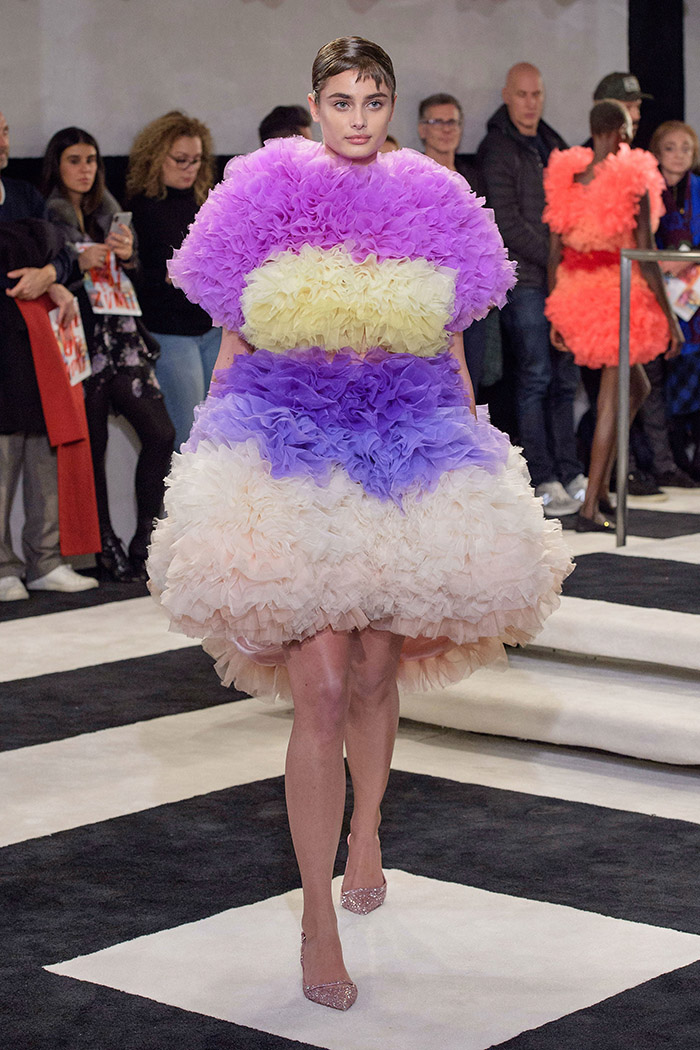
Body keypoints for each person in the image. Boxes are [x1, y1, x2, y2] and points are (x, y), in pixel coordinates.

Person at [148, 36, 572, 1009]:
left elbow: (454, 345)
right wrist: (212, 445)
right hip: (289, 440)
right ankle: (316, 914)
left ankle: (368, 827)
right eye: (340, 100)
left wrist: (470, 443)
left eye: (372, 100)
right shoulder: (263, 190)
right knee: (324, 684)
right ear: (314, 105)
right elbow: (234, 333)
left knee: (377, 670)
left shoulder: (433, 197)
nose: (357, 117)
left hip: (402, 441)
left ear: (391, 106)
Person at [43, 127, 175, 579]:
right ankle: (104, 545)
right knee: (92, 446)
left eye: (92, 160)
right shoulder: (48, 214)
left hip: (122, 337)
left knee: (160, 433)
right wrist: (76, 263)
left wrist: (129, 255)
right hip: (78, 338)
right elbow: (49, 277)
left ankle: (145, 540)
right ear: (57, 166)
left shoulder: (111, 211)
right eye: (74, 160)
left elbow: (134, 281)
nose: (85, 170)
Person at [545, 101, 683, 531]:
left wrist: (556, 311)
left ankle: (601, 488)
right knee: (611, 396)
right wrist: (670, 318)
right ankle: (590, 507)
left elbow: (554, 253)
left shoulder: (569, 178)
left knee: (635, 386)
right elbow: (645, 255)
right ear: (622, 132)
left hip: (576, 290)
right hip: (616, 291)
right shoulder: (632, 180)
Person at [477, 63, 586, 518]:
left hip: (562, 281)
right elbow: (506, 222)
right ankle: (541, 476)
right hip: (526, 280)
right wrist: (557, 258)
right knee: (535, 377)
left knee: (565, 380)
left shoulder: (551, 142)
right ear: (507, 95)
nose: (530, 102)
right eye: (522, 94)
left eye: (536, 94)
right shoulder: (497, 147)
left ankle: (570, 470)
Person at [0, 109, 100, 600]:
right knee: (2, 455)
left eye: (4, 131)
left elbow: (63, 251)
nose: (3, 141)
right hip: (3, 342)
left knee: (44, 448)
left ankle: (44, 559)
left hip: (38, 341)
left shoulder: (23, 194)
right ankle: (2, 567)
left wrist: (50, 275)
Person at [126, 111, 221, 450]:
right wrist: (166, 275)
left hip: (211, 327)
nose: (189, 168)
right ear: (156, 158)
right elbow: (130, 279)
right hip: (170, 331)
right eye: (180, 160)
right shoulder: (140, 208)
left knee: (218, 434)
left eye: (197, 160)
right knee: (188, 438)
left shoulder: (208, 201)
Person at [419, 92, 501, 401]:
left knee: (471, 383)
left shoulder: (475, 176)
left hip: (471, 303)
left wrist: (489, 287)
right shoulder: (414, 177)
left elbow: (491, 238)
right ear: (422, 129)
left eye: (452, 122)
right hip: (427, 302)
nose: (446, 128)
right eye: (437, 121)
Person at [649, 120, 700, 482]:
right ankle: (664, 458)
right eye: (670, 148)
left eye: (686, 148)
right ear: (656, 152)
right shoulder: (647, 190)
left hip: (694, 298)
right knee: (656, 379)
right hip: (654, 293)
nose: (679, 155)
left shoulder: (697, 189)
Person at [593, 72, 652, 142]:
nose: (636, 116)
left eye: (638, 107)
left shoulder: (641, 148)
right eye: (626, 108)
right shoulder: (585, 149)